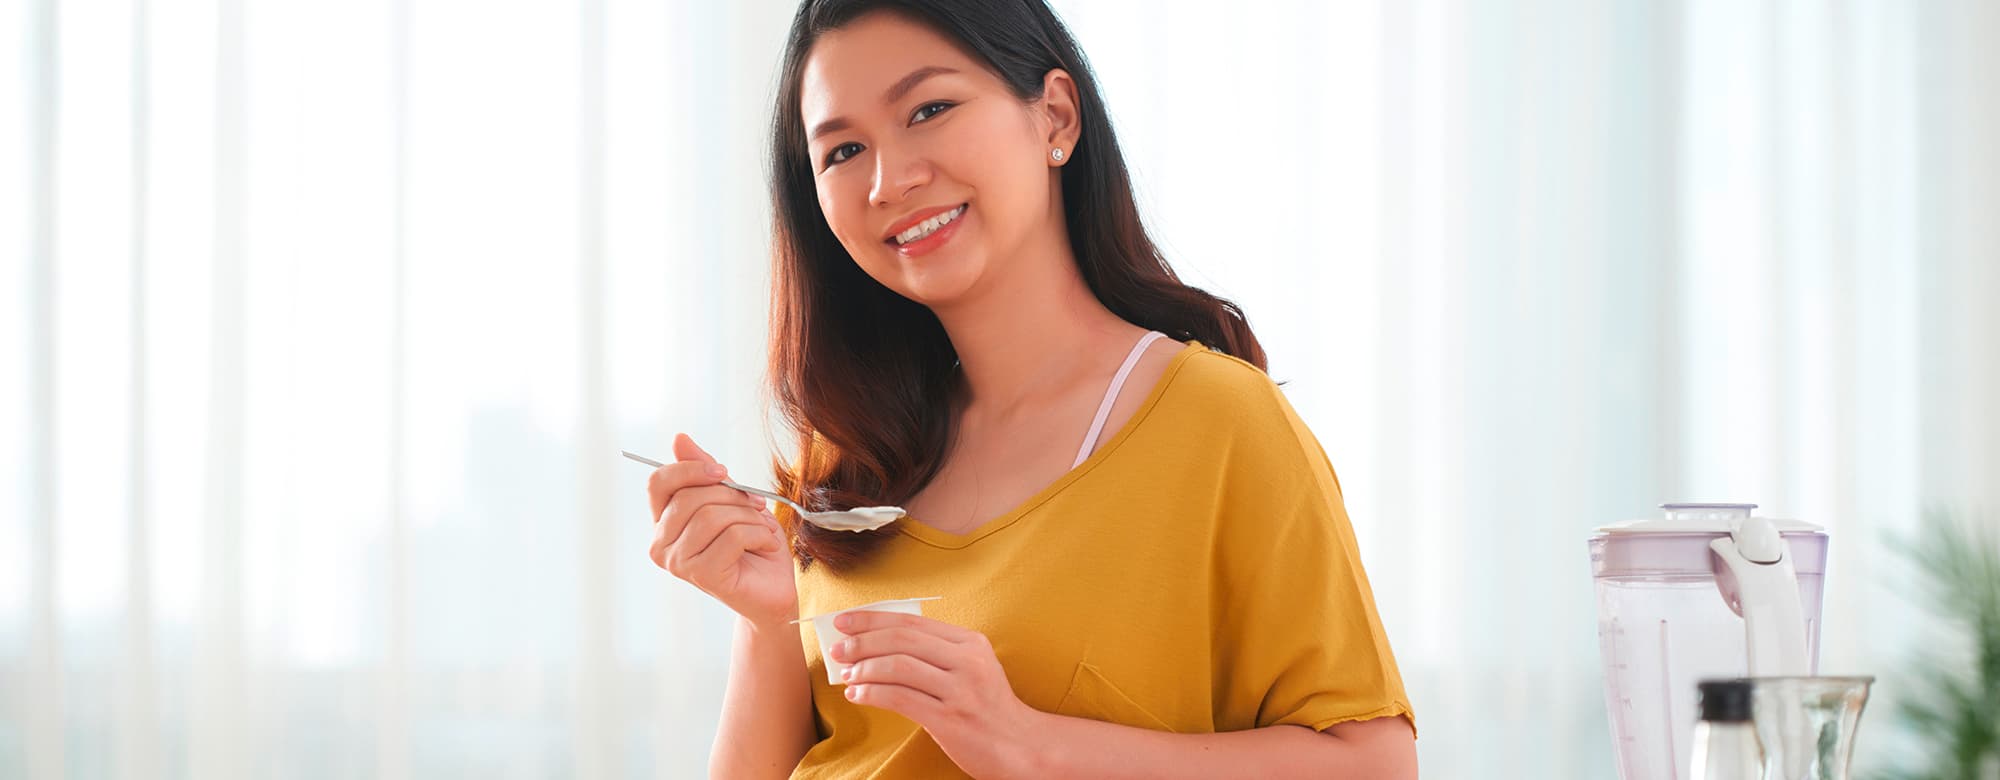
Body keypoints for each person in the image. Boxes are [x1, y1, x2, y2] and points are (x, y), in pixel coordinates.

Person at [644, 1, 1415, 776]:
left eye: (930, 108)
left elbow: (1374, 765)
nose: (888, 180)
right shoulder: (847, 457)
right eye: (843, 150)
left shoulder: (1218, 423)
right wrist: (767, 619)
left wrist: (1030, 746)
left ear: (1055, 116)